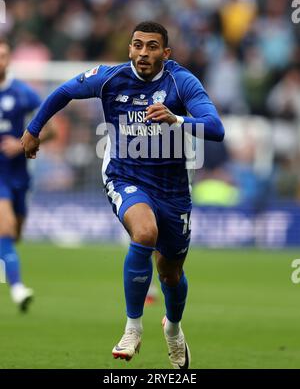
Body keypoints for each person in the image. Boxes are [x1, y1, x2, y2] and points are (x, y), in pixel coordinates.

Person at [21, 21, 224, 368]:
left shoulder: (181, 81)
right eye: (137, 45)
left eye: (152, 47)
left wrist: (177, 120)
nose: (143, 53)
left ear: (166, 53)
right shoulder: (111, 78)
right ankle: (132, 328)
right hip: (124, 175)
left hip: (173, 188)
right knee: (145, 232)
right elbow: (64, 92)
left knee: (171, 272)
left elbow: (216, 128)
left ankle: (173, 328)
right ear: (129, 48)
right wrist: (33, 129)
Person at [0, 39, 55, 312]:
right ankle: (18, 288)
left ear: (9, 60)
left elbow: (52, 129)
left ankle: (5, 261)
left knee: (14, 234)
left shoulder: (23, 93)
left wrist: (23, 142)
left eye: (3, 56)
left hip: (19, 176)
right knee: (6, 230)